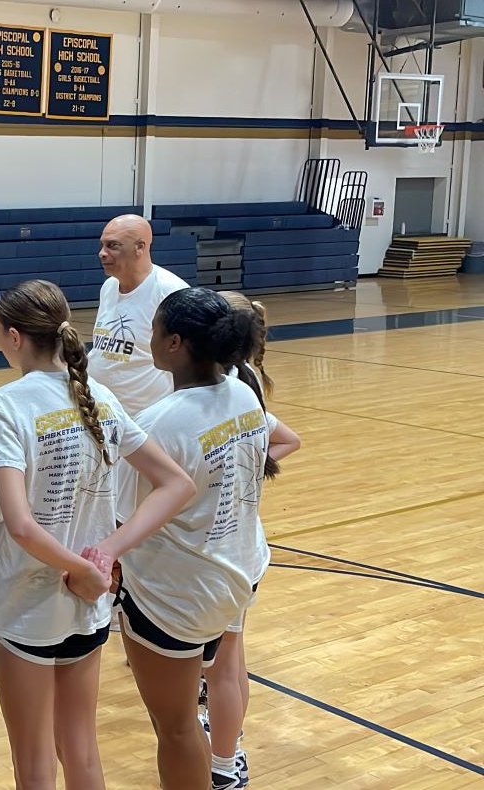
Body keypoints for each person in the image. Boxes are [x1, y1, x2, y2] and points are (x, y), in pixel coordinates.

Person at [0, 280, 194, 790]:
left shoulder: (2, 407)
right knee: (81, 749)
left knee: (33, 762)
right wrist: (103, 560)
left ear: (12, 336)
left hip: (28, 606)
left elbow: (22, 526)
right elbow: (176, 484)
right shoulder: (99, 395)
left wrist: (82, 568)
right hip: (88, 603)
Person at [111, 287, 275, 790]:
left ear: (175, 343)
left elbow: (121, 518)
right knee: (226, 672)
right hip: (238, 573)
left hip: (174, 596)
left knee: (176, 726)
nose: (150, 338)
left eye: (155, 330)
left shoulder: (157, 424)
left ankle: (215, 768)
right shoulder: (245, 393)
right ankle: (226, 762)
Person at [203, 292, 302, 790]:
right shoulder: (244, 387)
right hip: (241, 543)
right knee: (229, 661)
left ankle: (225, 763)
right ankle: (225, 745)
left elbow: (287, 439)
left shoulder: (233, 389)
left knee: (225, 666)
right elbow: (283, 440)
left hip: (226, 550)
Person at [88, 215, 190, 416]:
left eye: (112, 246)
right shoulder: (109, 287)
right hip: (104, 413)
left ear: (140, 247)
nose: (102, 253)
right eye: (102, 245)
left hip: (145, 419)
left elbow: (189, 363)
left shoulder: (171, 292)